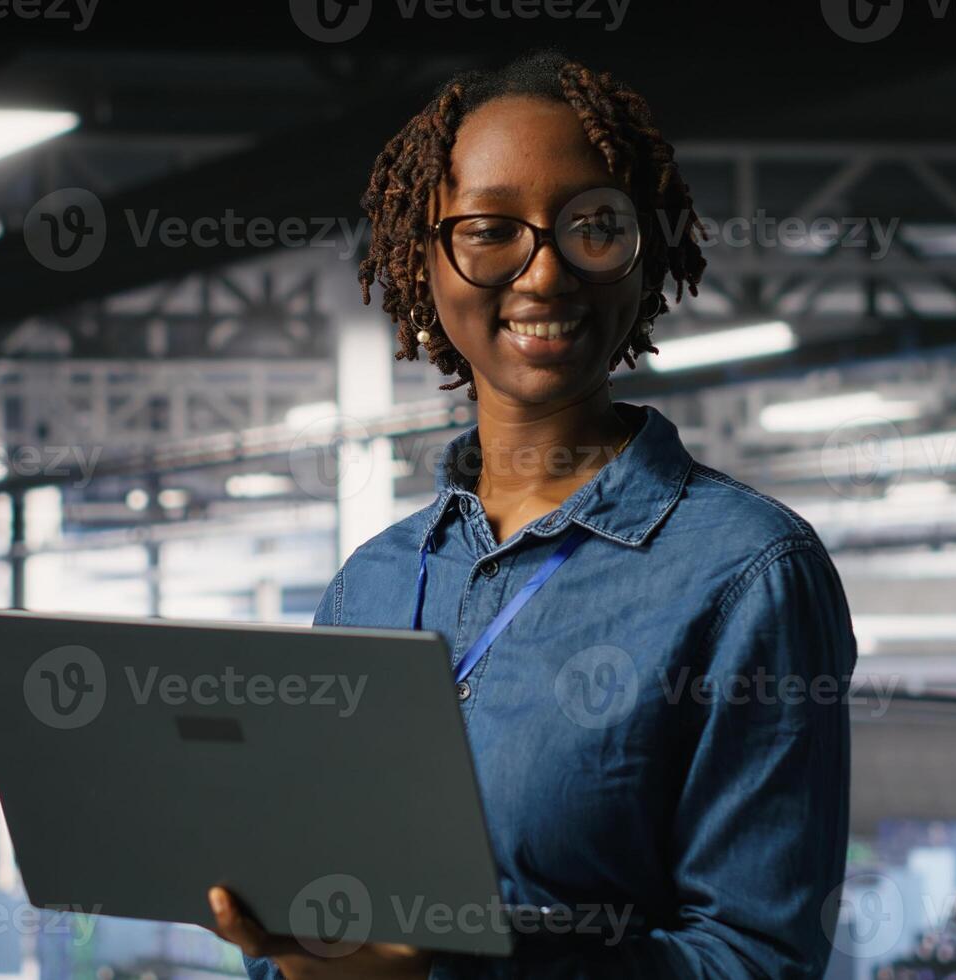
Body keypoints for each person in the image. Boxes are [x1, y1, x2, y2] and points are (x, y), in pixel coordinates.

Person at [205, 48, 859, 979]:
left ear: (646, 253)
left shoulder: (749, 573)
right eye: (490, 229)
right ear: (421, 260)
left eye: (593, 225)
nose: (544, 274)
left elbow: (756, 959)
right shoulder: (371, 585)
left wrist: (446, 971)